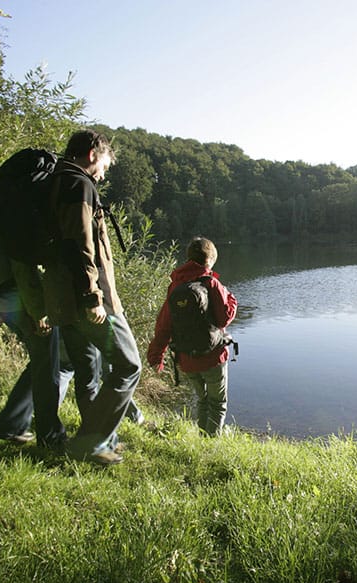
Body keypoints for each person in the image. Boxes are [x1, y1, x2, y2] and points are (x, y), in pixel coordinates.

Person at [41, 129, 141, 465]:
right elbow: (80, 244)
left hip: (60, 298)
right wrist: (92, 296)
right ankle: (91, 444)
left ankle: (101, 440)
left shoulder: (55, 182)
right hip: (85, 298)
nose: (103, 173)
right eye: (105, 166)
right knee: (129, 365)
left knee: (89, 372)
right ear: (92, 154)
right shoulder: (78, 184)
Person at [147, 237, 237, 435]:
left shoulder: (175, 286)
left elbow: (163, 326)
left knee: (202, 399)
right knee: (217, 402)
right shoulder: (211, 283)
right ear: (210, 260)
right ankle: (210, 443)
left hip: (186, 359)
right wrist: (231, 299)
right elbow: (224, 319)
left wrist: (156, 357)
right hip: (213, 357)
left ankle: (203, 436)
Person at [0, 261, 67, 449]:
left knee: (43, 363)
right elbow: (22, 265)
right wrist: (39, 311)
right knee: (47, 369)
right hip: (28, 306)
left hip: (6, 303)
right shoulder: (18, 232)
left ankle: (12, 424)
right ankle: (50, 438)